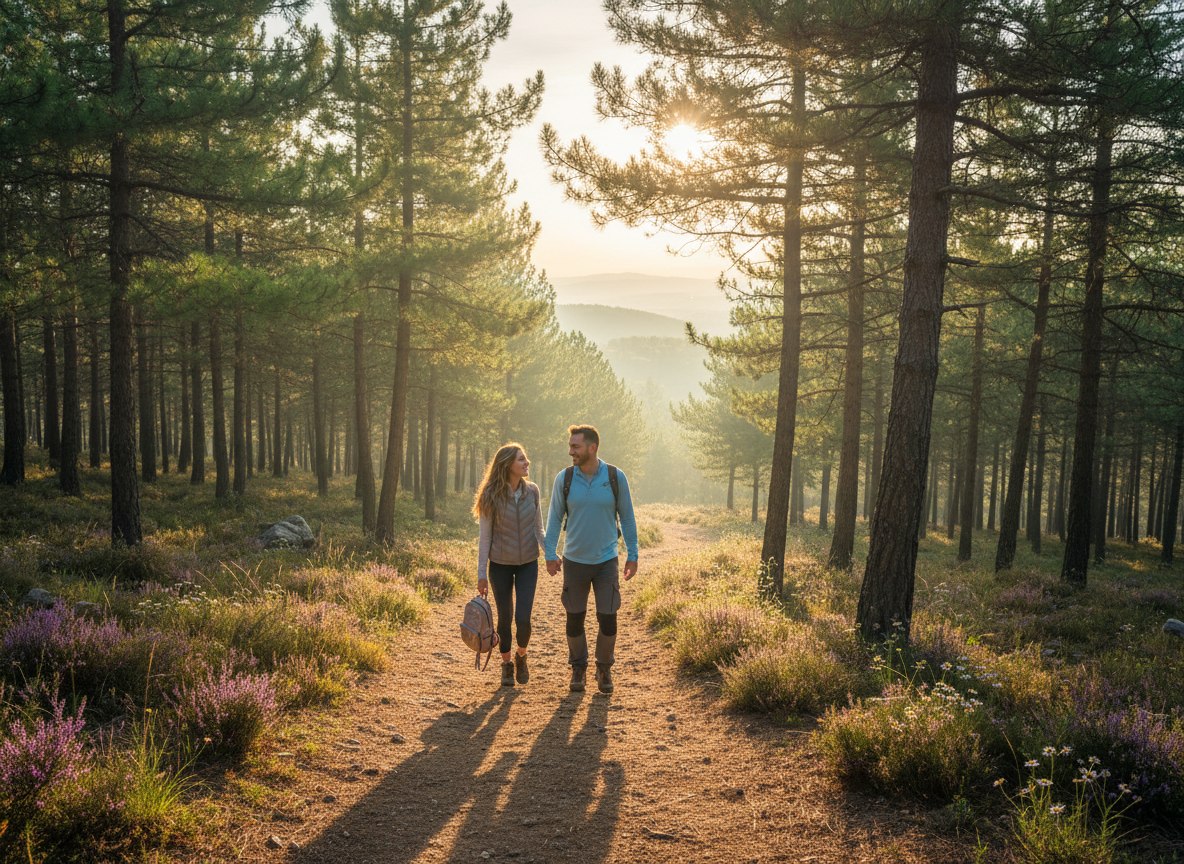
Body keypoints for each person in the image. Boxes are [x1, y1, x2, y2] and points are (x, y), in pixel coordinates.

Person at [544, 424, 639, 694]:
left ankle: (604, 668)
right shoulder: (564, 479)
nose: (570, 451)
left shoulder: (614, 477)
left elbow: (628, 518)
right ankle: (578, 668)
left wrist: (633, 555)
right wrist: (550, 554)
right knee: (575, 618)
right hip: (574, 561)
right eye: (570, 446)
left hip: (607, 560)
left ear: (592, 447)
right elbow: (554, 520)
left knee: (608, 617)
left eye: (575, 446)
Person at [474, 443, 546, 687]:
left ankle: (521, 656)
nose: (526, 463)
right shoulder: (490, 495)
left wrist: (551, 554)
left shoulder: (533, 492)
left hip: (528, 564)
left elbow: (539, 530)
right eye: (521, 460)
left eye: (525, 459)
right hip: (500, 566)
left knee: (523, 619)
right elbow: (485, 538)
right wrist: (481, 574)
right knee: (505, 618)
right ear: (507, 465)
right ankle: (506, 665)